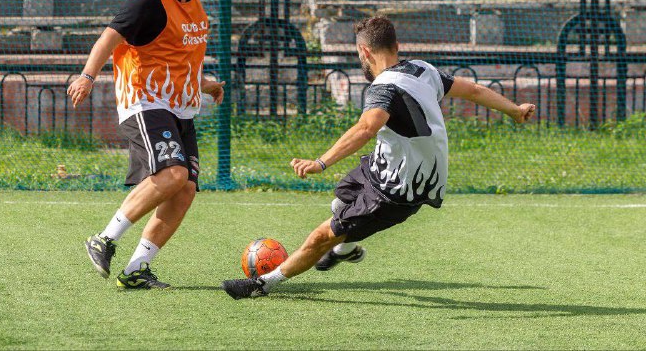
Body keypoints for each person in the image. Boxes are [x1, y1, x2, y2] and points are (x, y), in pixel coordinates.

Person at [222, 15, 536, 299]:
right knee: (340, 202)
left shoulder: (382, 87)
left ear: (364, 53)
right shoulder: (422, 70)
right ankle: (344, 249)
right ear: (396, 46)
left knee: (323, 235)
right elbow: (475, 91)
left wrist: (321, 162)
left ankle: (263, 284)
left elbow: (366, 127)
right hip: (382, 166)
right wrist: (515, 110)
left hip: (396, 191)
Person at [67, 0, 225, 290]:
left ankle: (138, 267)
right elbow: (108, 39)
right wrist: (87, 76)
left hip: (180, 109)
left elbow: (177, 59)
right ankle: (104, 239)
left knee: (184, 189)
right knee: (172, 174)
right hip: (146, 101)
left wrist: (207, 85)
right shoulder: (149, 0)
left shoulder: (194, 5)